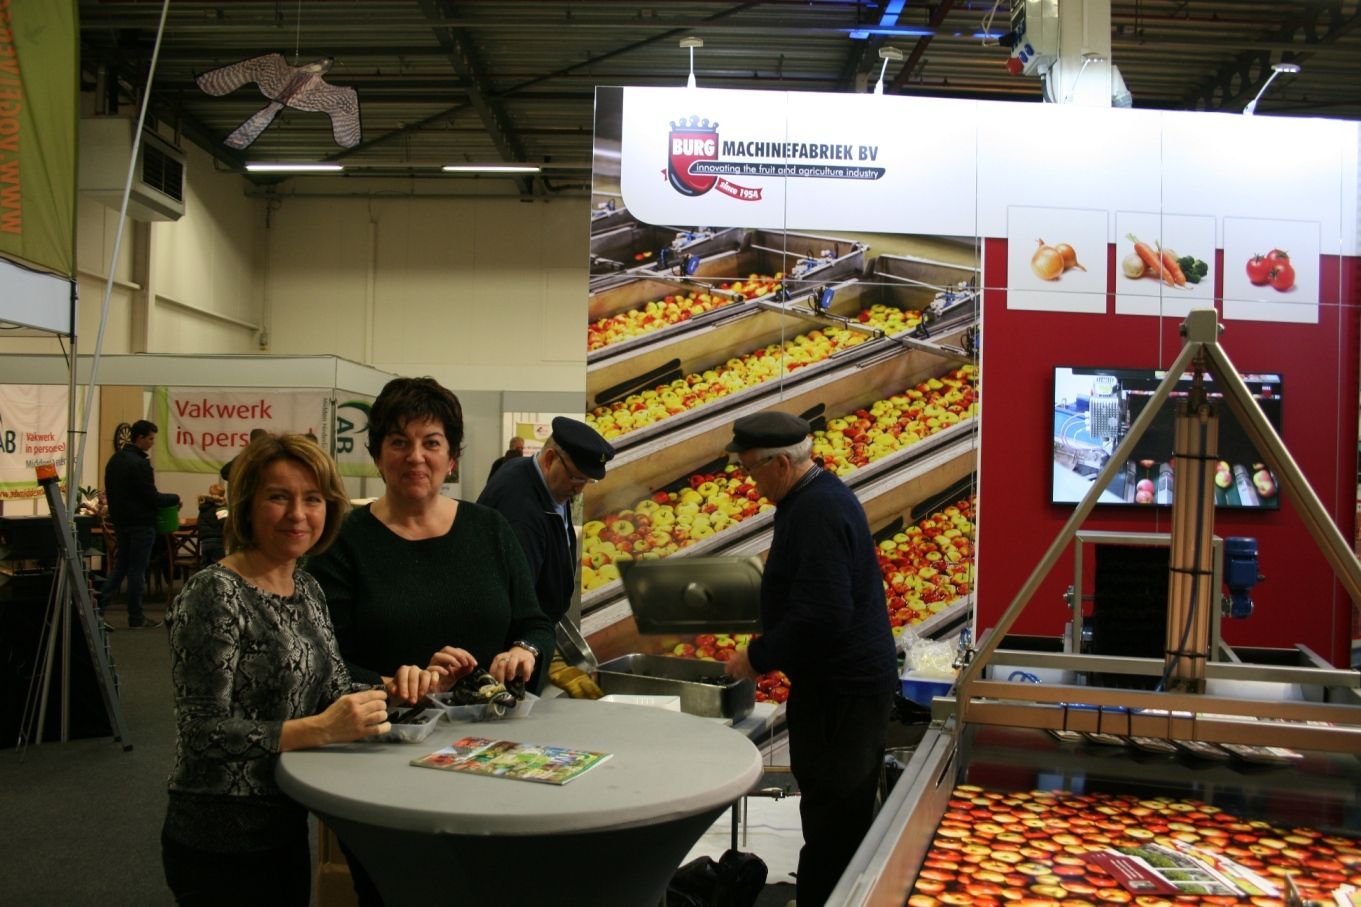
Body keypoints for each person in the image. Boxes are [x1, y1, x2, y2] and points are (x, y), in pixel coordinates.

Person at [306, 377, 555, 906]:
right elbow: (324, 662)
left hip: (490, 758)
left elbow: (535, 624)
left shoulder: (490, 530)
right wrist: (394, 684)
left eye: (431, 442)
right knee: (396, 891)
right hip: (382, 761)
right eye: (399, 442)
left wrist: (524, 652)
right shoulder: (343, 541)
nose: (415, 456)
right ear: (377, 455)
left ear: (452, 457)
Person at [161, 434, 392, 906]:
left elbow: (334, 689)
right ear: (247, 505)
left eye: (313, 499)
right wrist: (318, 730)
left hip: (283, 826)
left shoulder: (305, 587)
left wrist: (403, 687)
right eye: (278, 497)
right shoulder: (214, 593)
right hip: (218, 839)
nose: (298, 514)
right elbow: (202, 732)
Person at [721, 411, 897, 907]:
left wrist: (757, 656)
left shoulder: (816, 509)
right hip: (841, 688)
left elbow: (824, 613)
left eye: (751, 469)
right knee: (832, 816)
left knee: (834, 825)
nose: (750, 481)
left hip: (843, 694)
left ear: (780, 464)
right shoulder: (813, 498)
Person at [477, 417, 613, 690]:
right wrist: (536, 647)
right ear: (550, 458)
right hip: (509, 659)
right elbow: (516, 598)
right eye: (576, 477)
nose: (579, 489)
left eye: (587, 481)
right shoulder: (522, 513)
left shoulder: (538, 478)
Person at [98, 419, 180, 629]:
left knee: (120, 567)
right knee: (137, 570)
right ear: (140, 438)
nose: (152, 443)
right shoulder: (140, 464)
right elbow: (151, 497)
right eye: (150, 438)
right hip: (141, 523)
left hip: (121, 522)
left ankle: (97, 608)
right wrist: (174, 498)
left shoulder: (115, 460)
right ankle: (136, 617)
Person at [196, 482, 228, 566]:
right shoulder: (221, 508)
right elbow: (225, 523)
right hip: (218, 541)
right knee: (217, 565)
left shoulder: (203, 508)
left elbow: (199, 523)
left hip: (205, 541)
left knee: (205, 565)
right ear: (222, 495)